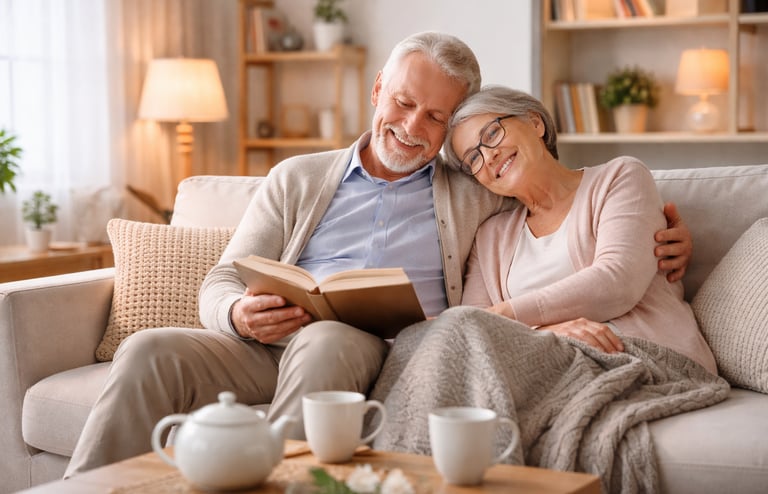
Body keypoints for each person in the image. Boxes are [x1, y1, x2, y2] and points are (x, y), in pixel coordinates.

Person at [65, 34, 692, 477]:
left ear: (451, 129)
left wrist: (669, 239)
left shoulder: (476, 189)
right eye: (403, 102)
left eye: (436, 116)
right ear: (376, 91)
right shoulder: (297, 177)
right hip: (260, 342)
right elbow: (223, 277)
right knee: (148, 349)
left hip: (362, 345)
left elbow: (562, 221)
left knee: (326, 340)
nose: (413, 125)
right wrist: (235, 313)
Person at [369, 86, 724, 493]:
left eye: (492, 135)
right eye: (474, 158)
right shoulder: (491, 236)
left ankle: (394, 483)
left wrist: (511, 317)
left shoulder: (619, 177)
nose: (489, 157)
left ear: (535, 123)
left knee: (453, 332)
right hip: (551, 360)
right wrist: (548, 333)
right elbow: (476, 330)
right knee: (427, 337)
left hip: (636, 352)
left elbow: (616, 281)